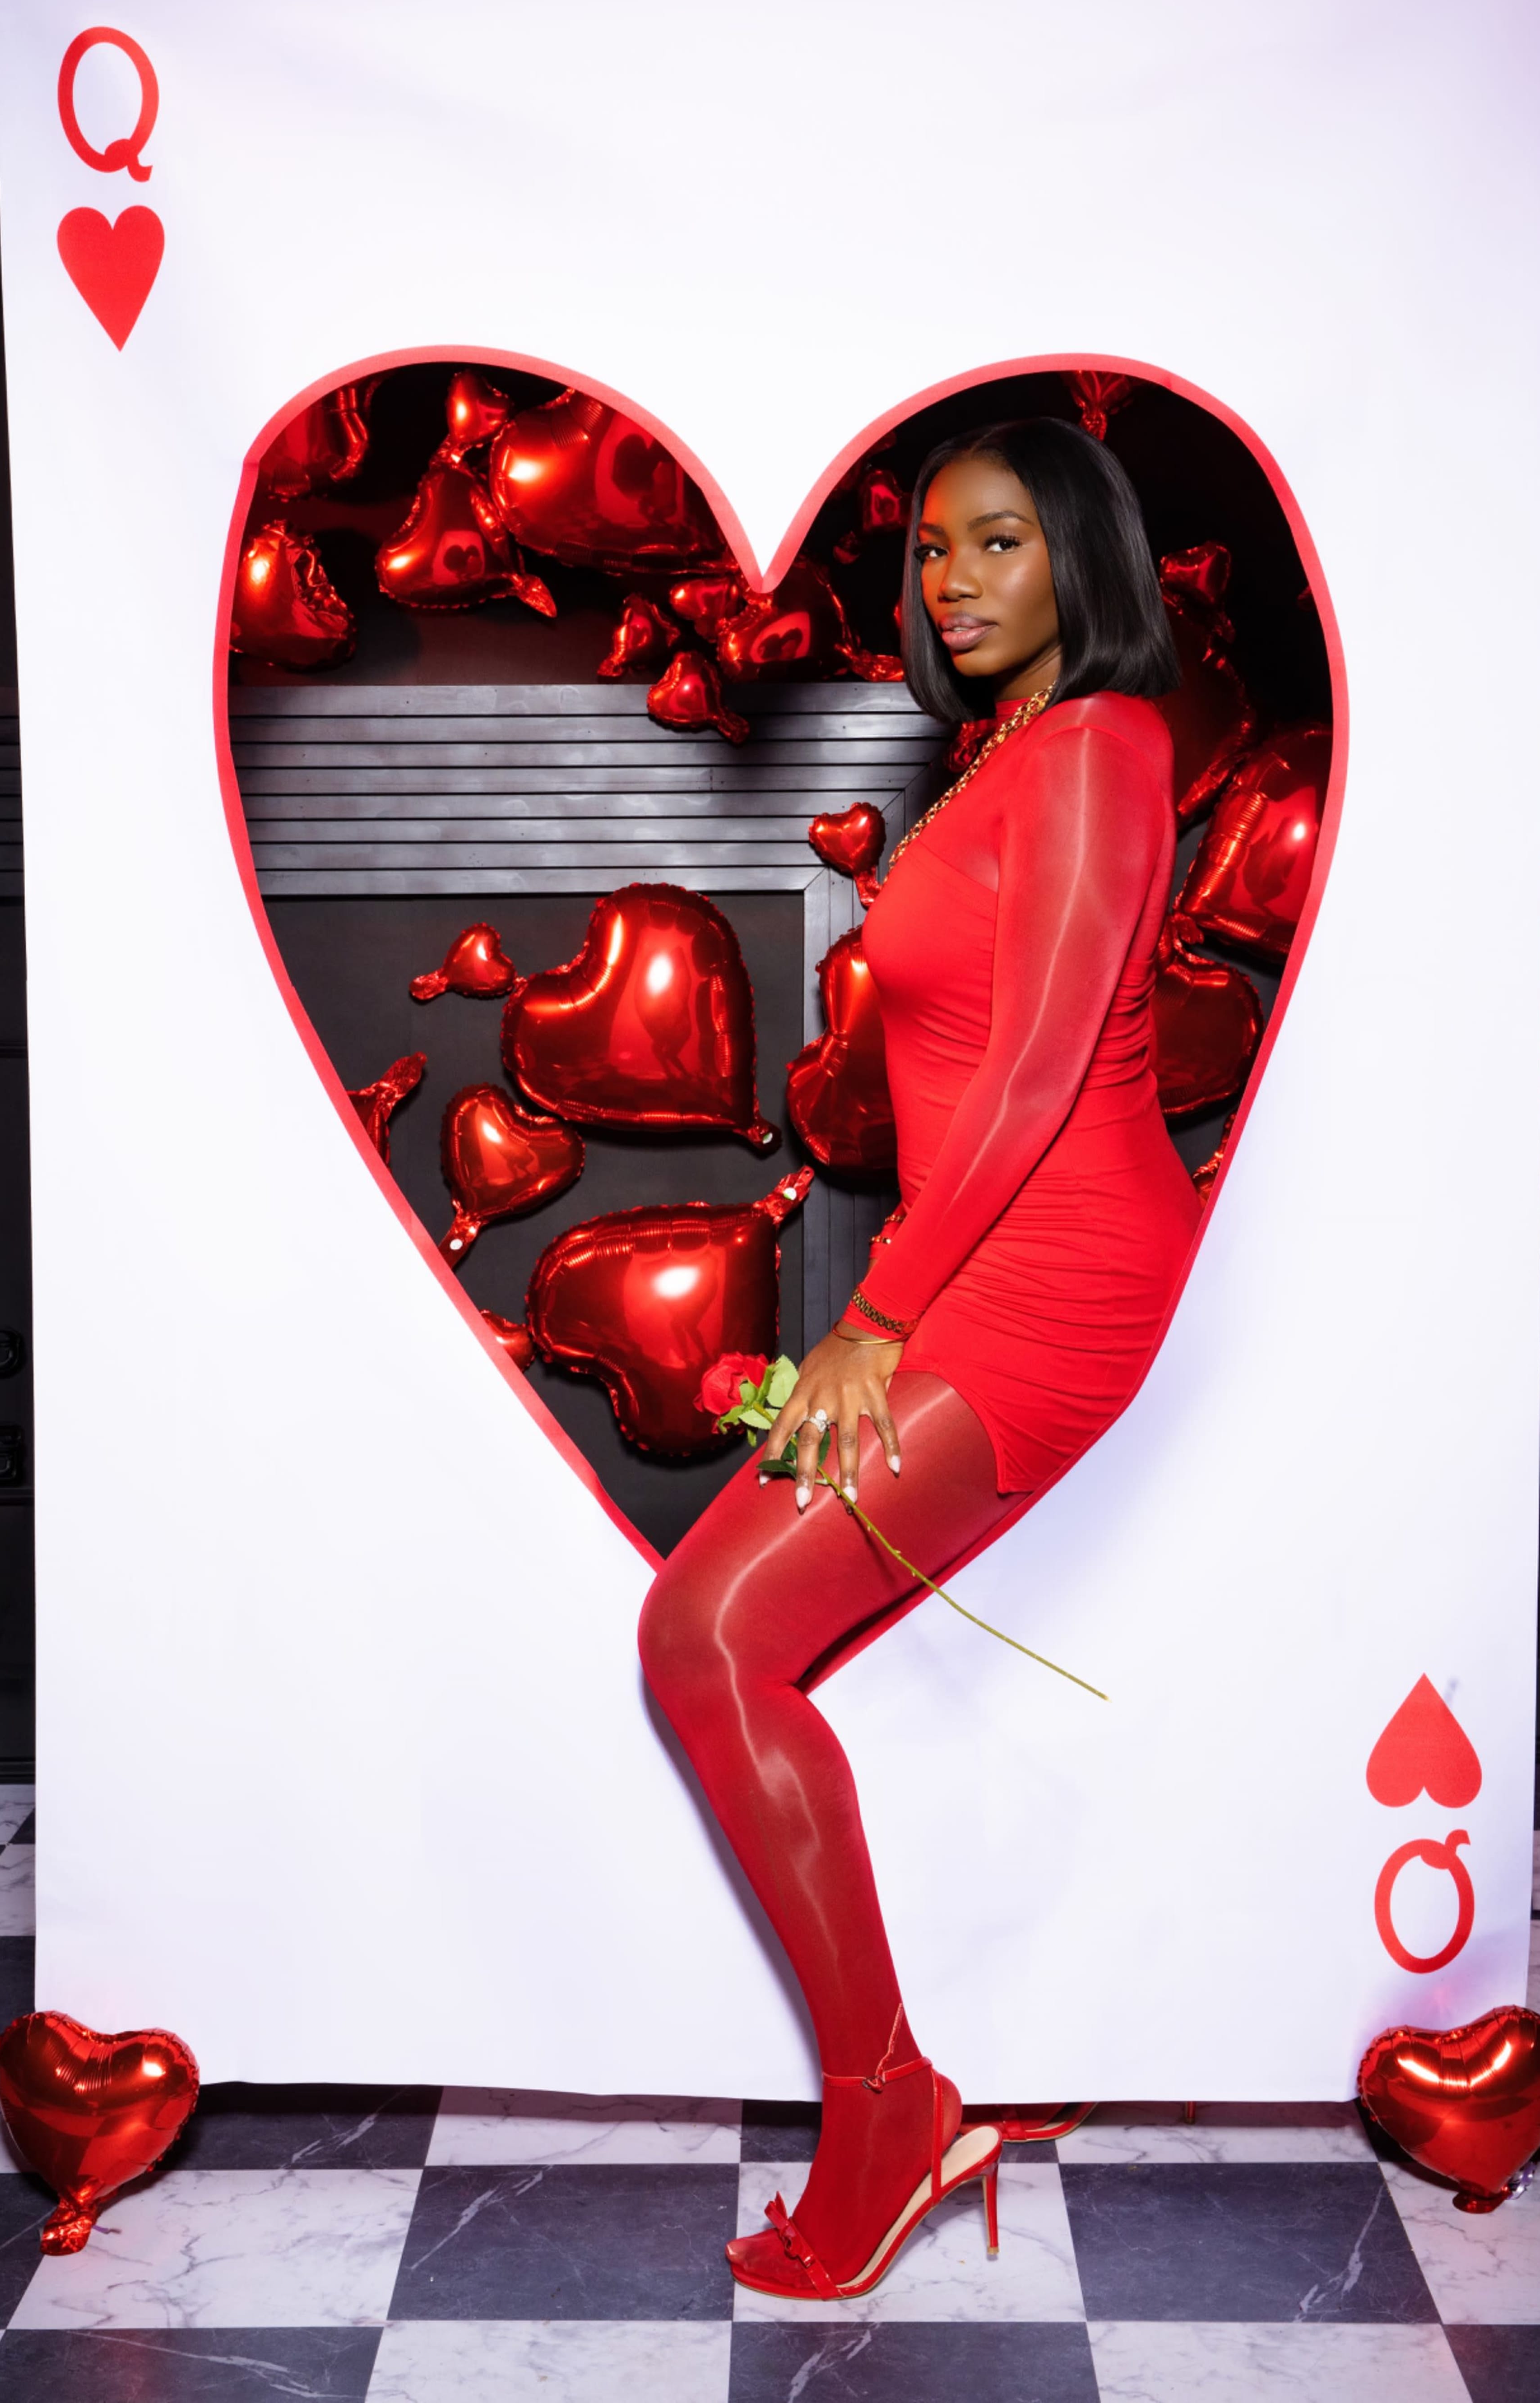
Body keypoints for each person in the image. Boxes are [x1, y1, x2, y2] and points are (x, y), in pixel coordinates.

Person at [637, 414, 1201, 2300]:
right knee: (716, 1635)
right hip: (970, 1262)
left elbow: (1039, 1073)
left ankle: (885, 2107)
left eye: (1002, 544)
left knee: (706, 1635)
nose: (954, 579)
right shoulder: (1006, 757)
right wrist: (889, 1305)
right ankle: (893, 2097)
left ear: (1084, 568)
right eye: (936, 547)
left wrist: (876, 1321)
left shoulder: (1109, 745)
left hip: (1060, 1273)